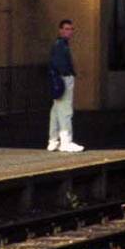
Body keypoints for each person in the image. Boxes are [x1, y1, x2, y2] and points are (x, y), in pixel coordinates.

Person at [48, 19, 84, 152]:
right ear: (61, 30)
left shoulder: (58, 44)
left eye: (71, 29)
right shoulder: (61, 46)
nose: (69, 32)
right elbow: (60, 64)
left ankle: (53, 140)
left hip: (58, 79)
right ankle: (66, 141)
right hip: (64, 79)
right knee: (66, 111)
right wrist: (67, 74)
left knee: (56, 111)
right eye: (67, 29)